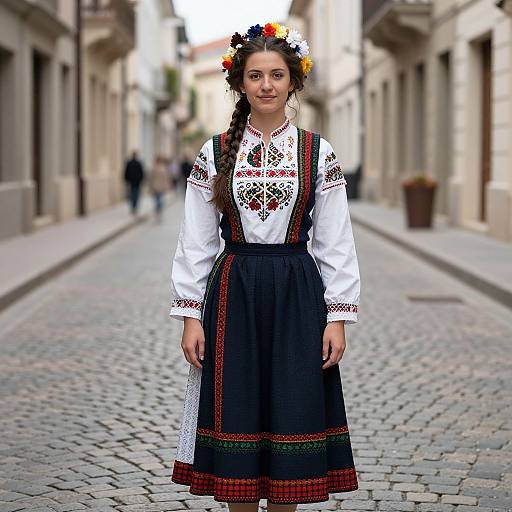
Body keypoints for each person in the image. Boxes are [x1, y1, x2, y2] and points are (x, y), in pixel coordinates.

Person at [169, 22, 361, 510]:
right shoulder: (214, 152)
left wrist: (337, 315)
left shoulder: (319, 153)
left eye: (277, 75)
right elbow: (195, 240)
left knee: (291, 414)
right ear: (239, 83)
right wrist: (191, 314)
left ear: (293, 82)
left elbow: (335, 239)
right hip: (234, 294)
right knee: (237, 416)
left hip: (298, 294)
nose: (267, 85)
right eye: (256, 76)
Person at [148, 154, 170, 222]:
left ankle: (158, 213)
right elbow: (151, 178)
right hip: (157, 187)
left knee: (159, 201)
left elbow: (165, 178)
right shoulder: (156, 168)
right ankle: (158, 213)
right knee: (158, 201)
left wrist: (166, 185)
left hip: (159, 187)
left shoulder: (161, 168)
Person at [124, 150, 145, 215]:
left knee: (132, 194)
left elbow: (126, 172)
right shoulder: (138, 163)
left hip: (131, 181)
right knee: (136, 194)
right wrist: (142, 180)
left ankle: (133, 206)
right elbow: (142, 173)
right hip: (137, 181)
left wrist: (126, 180)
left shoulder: (129, 163)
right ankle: (134, 206)